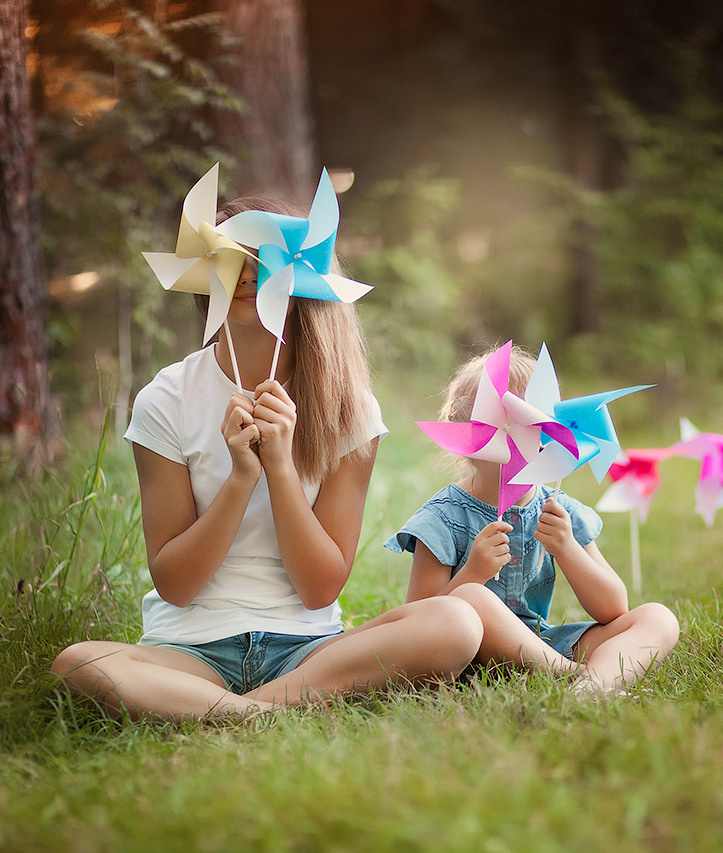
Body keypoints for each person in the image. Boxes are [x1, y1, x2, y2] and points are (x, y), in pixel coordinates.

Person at [51, 196, 483, 721]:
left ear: (304, 276)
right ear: (204, 271)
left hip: (307, 650)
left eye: (266, 258)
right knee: (76, 664)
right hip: (191, 649)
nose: (249, 273)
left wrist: (280, 468)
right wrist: (240, 478)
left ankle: (231, 711)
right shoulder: (165, 398)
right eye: (231, 256)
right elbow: (176, 585)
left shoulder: (348, 407)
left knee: (455, 624)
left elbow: (320, 588)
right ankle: (265, 714)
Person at [384, 345, 680, 695]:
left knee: (658, 618)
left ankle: (592, 688)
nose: (528, 442)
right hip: (470, 653)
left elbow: (614, 608)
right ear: (467, 441)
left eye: (537, 427)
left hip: (541, 645)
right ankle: (577, 677)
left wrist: (567, 548)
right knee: (471, 596)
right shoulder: (444, 517)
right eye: (510, 428)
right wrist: (473, 574)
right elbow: (419, 624)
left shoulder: (558, 510)